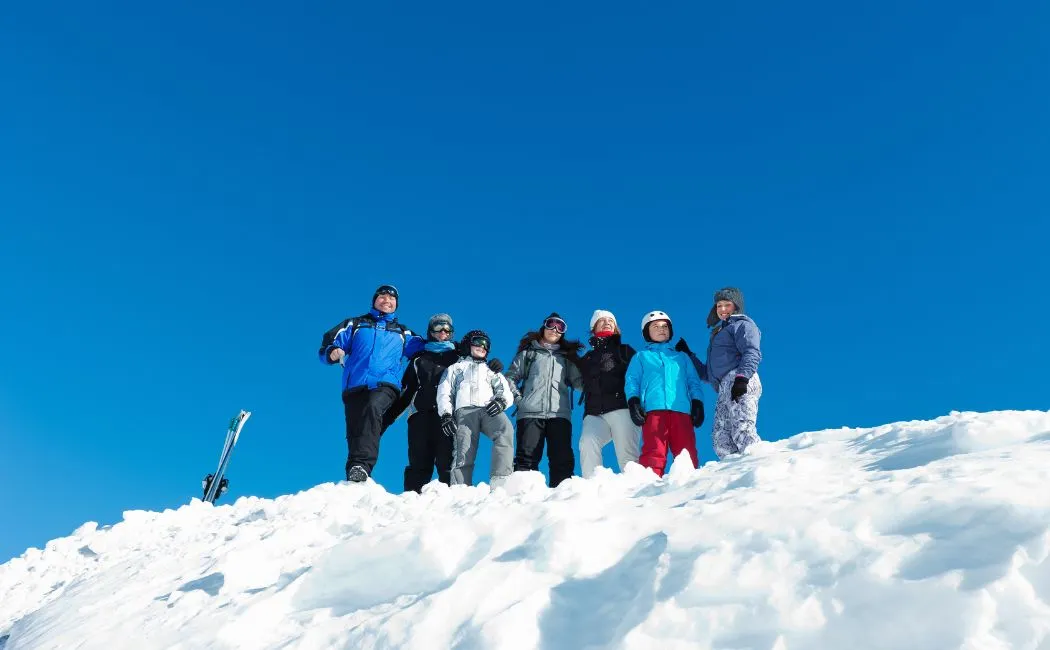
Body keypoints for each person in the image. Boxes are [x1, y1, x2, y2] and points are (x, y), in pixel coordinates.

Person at [317, 284, 425, 482]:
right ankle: (355, 476)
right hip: (355, 386)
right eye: (383, 297)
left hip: (386, 385)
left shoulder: (403, 333)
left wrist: (458, 349)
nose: (387, 301)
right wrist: (332, 352)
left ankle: (362, 465)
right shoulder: (356, 324)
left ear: (396, 305)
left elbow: (429, 348)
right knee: (356, 429)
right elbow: (330, 342)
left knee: (373, 408)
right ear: (374, 301)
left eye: (392, 299)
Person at [387, 314, 505, 492]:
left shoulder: (459, 357)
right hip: (420, 416)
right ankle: (412, 502)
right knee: (419, 462)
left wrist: (493, 364)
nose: (443, 332)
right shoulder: (419, 360)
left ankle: (450, 505)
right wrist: (386, 419)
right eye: (438, 328)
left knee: (447, 462)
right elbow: (406, 393)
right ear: (430, 331)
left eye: (447, 329)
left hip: (448, 417)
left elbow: (478, 365)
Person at [677, 287, 763, 459]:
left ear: (736, 306)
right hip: (725, 386)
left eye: (727, 305)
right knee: (721, 436)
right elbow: (707, 375)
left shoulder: (742, 325)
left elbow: (752, 351)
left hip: (740, 378)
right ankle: (732, 474)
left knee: (742, 427)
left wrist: (742, 379)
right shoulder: (718, 333)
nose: (722, 309)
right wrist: (688, 354)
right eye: (719, 306)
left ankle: (757, 464)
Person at [504, 312, 584, 488]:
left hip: (559, 414)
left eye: (560, 326)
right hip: (530, 413)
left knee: (562, 459)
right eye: (551, 324)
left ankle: (562, 498)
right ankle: (523, 497)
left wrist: (594, 379)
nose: (555, 329)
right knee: (527, 458)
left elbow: (579, 383)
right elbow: (509, 378)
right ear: (544, 327)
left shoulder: (566, 358)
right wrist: (519, 400)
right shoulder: (529, 354)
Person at [624, 310, 705, 477]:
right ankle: (648, 488)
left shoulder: (681, 357)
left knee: (686, 452)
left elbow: (693, 382)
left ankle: (689, 486)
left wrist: (697, 403)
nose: (662, 329)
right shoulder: (641, 357)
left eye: (665, 326)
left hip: (681, 410)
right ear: (647, 332)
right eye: (656, 326)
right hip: (654, 411)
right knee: (654, 450)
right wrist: (633, 401)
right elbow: (632, 381)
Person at [436, 330, 516, 487]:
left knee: (505, 428)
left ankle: (501, 477)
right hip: (464, 412)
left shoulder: (490, 370)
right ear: (468, 344)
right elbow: (444, 392)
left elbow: (505, 390)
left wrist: (501, 402)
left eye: (486, 345)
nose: (483, 346)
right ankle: (460, 486)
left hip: (488, 409)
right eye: (478, 342)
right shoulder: (456, 368)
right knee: (464, 448)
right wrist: (446, 414)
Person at [577, 309, 641, 478]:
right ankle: (590, 486)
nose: (607, 322)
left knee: (628, 459)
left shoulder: (625, 350)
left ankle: (635, 493)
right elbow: (573, 380)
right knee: (587, 442)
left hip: (622, 408)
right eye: (602, 320)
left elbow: (639, 377)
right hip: (594, 412)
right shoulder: (586, 359)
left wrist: (638, 403)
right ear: (593, 327)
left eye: (610, 321)